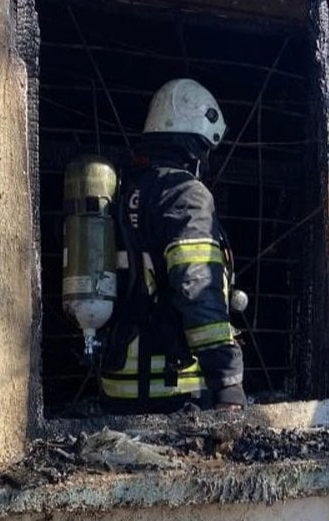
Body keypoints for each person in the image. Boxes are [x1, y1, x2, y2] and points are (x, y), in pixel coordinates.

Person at [100, 79, 246, 413]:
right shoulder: (186, 194)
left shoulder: (124, 190)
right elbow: (198, 286)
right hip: (174, 388)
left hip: (117, 386)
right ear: (194, 144)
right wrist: (227, 380)